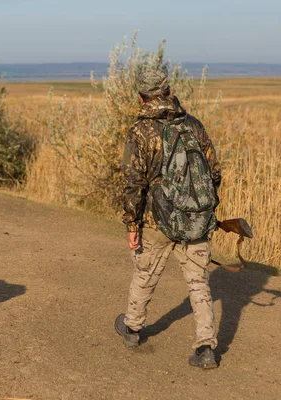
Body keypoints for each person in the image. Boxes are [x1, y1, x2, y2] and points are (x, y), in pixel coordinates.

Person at [114, 70, 222, 369]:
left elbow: (133, 182)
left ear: (141, 97)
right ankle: (205, 347)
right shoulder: (193, 124)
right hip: (196, 220)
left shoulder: (140, 131)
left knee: (145, 274)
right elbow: (214, 173)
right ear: (169, 91)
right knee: (199, 282)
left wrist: (132, 225)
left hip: (155, 220)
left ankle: (133, 328)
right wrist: (199, 208)